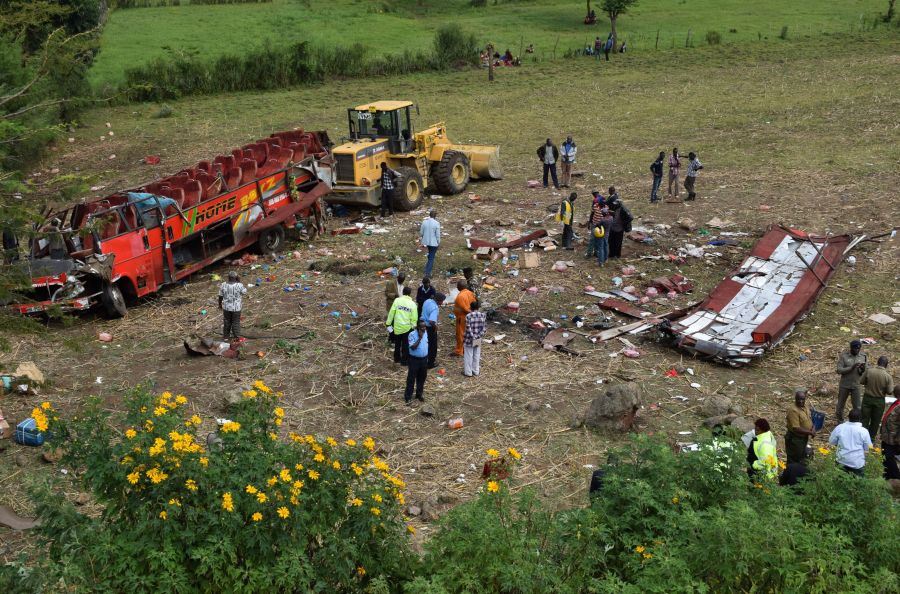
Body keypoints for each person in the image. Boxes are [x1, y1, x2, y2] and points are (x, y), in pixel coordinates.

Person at [828, 409, 872, 477]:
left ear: (848, 417)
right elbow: (869, 448)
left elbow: (831, 442)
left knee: (839, 483)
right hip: (857, 463)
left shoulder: (840, 427)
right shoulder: (864, 431)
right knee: (857, 485)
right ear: (860, 418)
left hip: (841, 461)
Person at [860, 356, 893, 440]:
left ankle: (862, 437)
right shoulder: (888, 376)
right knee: (875, 421)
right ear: (886, 365)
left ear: (877, 362)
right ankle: (871, 439)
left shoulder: (869, 371)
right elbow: (889, 391)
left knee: (864, 419)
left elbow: (861, 381)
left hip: (867, 398)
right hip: (879, 400)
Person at [836, 339, 867, 423]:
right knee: (840, 405)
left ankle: (856, 422)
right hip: (845, 385)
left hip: (856, 385)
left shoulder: (863, 356)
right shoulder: (844, 356)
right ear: (851, 348)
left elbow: (864, 371)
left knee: (857, 406)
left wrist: (862, 369)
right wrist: (851, 368)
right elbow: (839, 370)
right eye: (855, 348)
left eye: (858, 349)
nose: (857, 350)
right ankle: (840, 420)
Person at [386, 286, 418, 365]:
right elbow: (414, 318)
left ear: (403, 292)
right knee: (405, 344)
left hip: (397, 327)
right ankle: (404, 361)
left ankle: (396, 359)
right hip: (407, 328)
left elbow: (391, 312)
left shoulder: (397, 301)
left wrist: (388, 323)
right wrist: (413, 327)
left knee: (397, 344)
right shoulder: (412, 304)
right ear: (410, 294)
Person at [785, 388, 816, 465]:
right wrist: (810, 432)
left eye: (802, 399)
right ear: (795, 399)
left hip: (803, 438)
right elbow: (796, 428)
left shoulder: (805, 406)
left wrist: (813, 428)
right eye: (799, 399)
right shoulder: (793, 410)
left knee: (801, 456)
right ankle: (789, 474)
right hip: (795, 439)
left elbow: (809, 419)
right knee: (794, 458)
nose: (801, 401)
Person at [404, 320, 429, 404]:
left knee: (422, 378)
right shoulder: (411, 334)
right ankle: (408, 397)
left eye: (424, 326)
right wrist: (420, 338)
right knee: (411, 378)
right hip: (414, 360)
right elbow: (413, 347)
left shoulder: (425, 332)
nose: (424, 328)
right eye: (422, 327)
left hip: (424, 359)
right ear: (418, 327)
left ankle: (419, 394)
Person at [218, 271, 247, 341]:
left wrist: (219, 305)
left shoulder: (223, 285)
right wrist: (239, 281)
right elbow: (244, 292)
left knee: (227, 321)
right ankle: (237, 337)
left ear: (228, 277)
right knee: (236, 322)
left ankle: (225, 337)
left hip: (226, 307)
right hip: (236, 308)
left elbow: (220, 296)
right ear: (236, 277)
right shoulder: (239, 285)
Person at [463, 300, 487, 377]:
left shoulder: (468, 316)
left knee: (468, 355)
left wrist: (472, 336)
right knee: (476, 354)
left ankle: (468, 372)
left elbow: (468, 328)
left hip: (469, 338)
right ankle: (476, 371)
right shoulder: (482, 315)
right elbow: (484, 328)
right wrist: (477, 336)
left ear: (470, 307)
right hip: (478, 338)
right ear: (478, 307)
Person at [880, 390, 900, 479]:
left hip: (893, 438)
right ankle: (887, 475)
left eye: (896, 395)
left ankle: (896, 477)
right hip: (887, 436)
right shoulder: (897, 403)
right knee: (884, 454)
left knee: (889, 456)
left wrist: (898, 439)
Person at [453, 280, 476, 356]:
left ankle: (459, 351)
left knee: (460, 334)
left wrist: (469, 313)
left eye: (457, 286)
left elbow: (465, 309)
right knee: (469, 333)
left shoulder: (460, 296)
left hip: (462, 318)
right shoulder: (470, 293)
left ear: (460, 287)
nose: (456, 287)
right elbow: (474, 304)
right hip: (469, 317)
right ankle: (468, 348)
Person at [420, 291, 443, 369]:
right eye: (442, 301)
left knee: (424, 343)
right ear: (438, 300)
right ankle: (430, 363)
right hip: (429, 327)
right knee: (432, 346)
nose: (442, 303)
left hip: (421, 325)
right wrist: (435, 326)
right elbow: (431, 321)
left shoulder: (427, 301)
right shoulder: (435, 307)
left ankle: (423, 360)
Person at [607, 190, 632, 259]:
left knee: (617, 243)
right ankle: (612, 254)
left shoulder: (623, 210)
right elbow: (615, 215)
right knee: (611, 242)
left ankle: (617, 255)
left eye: (616, 204)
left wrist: (624, 223)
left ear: (619, 204)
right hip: (613, 228)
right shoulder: (617, 209)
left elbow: (630, 217)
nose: (614, 205)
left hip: (619, 229)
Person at [419, 209, 441, 278]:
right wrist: (438, 242)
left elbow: (421, 233)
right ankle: (427, 273)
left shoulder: (424, 222)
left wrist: (423, 238)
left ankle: (427, 268)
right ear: (435, 216)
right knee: (431, 257)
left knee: (430, 255)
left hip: (426, 242)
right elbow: (437, 235)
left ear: (429, 215)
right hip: (434, 243)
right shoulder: (436, 223)